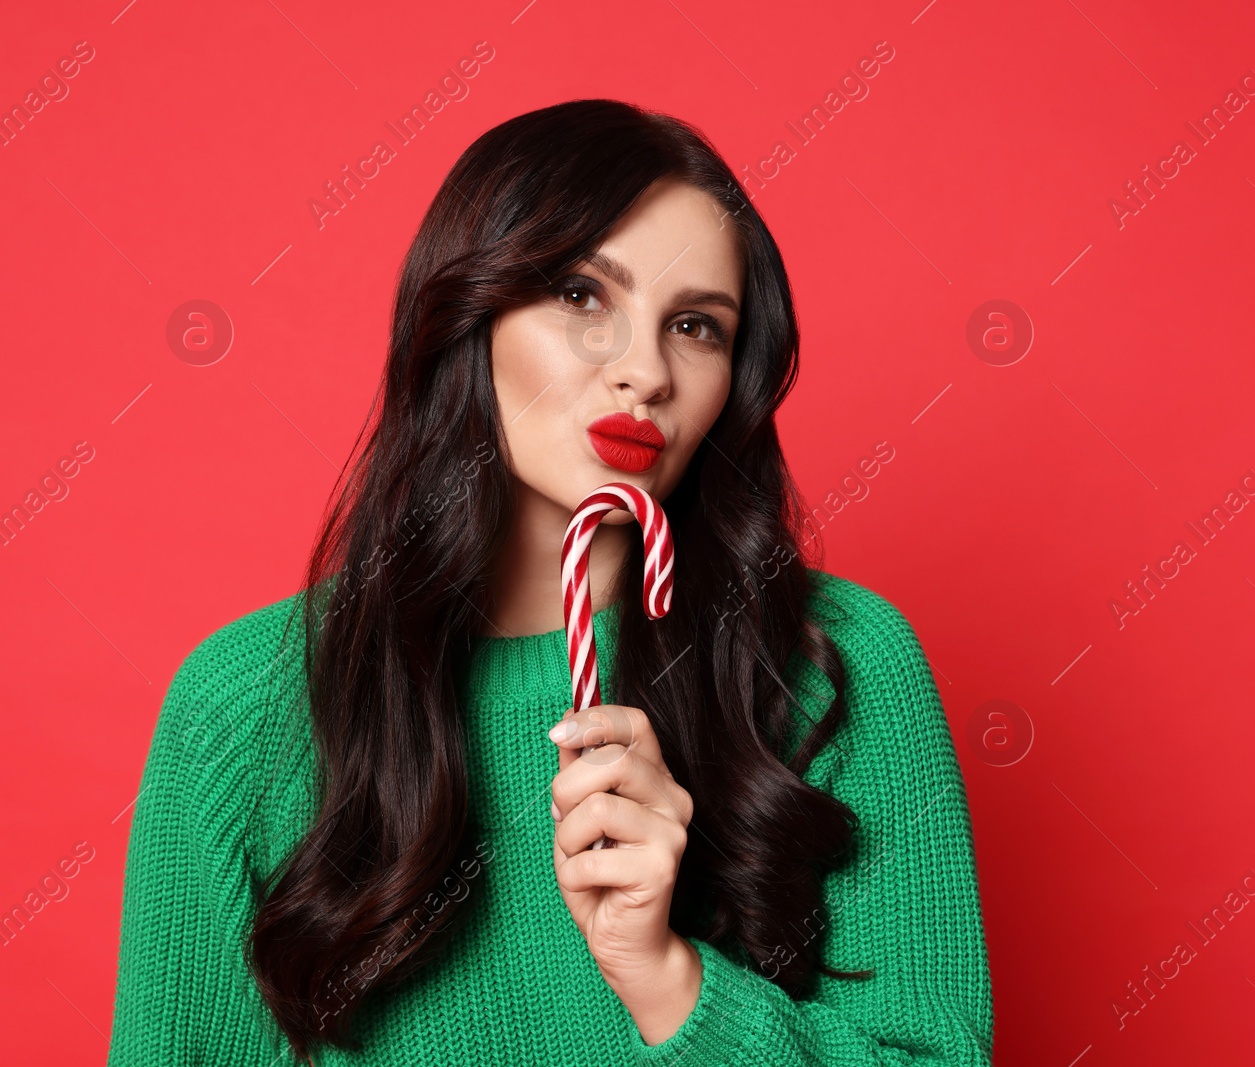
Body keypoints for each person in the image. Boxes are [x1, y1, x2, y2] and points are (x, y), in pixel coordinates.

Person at [106, 98, 992, 1066]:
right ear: (470, 312)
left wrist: (667, 978)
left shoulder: (837, 667)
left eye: (695, 325)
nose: (644, 372)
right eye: (581, 296)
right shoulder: (247, 707)